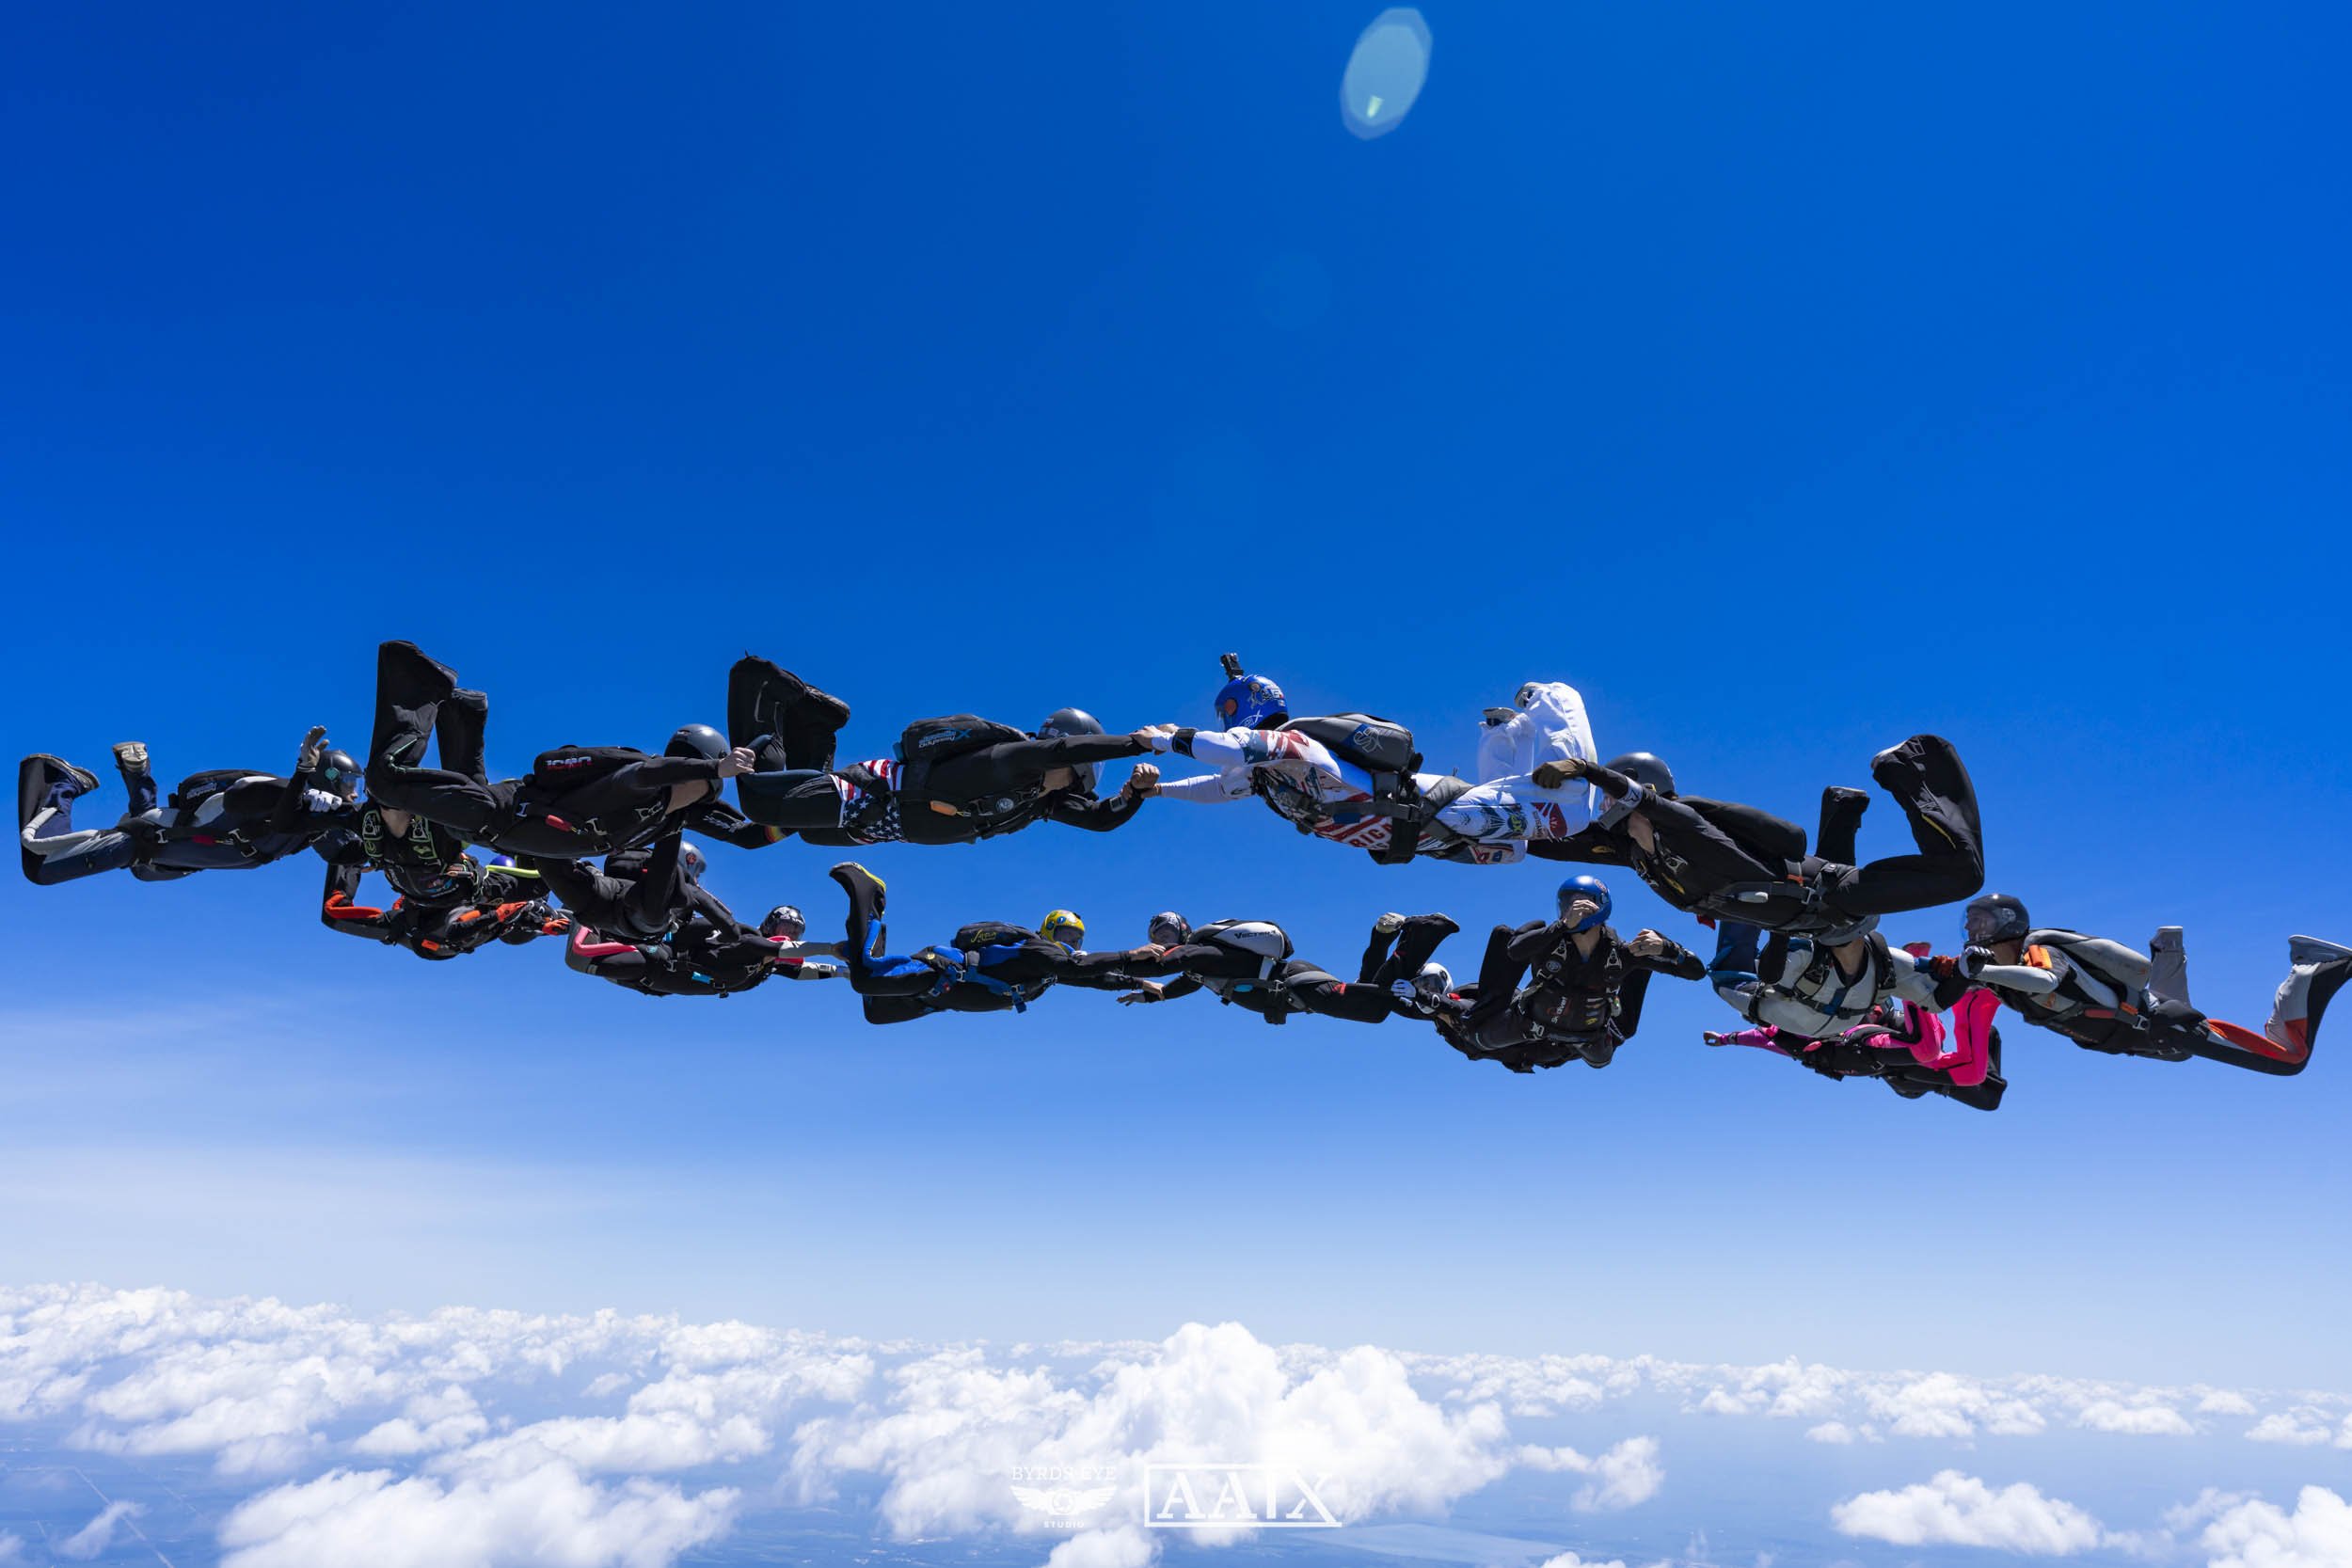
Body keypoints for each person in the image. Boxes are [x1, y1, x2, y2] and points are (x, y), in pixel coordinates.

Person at [1134, 658, 1603, 866]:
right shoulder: (1267, 780)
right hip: (1424, 839)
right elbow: (1214, 785)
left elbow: (1229, 749)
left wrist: (1168, 739)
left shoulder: (1294, 747)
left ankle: (1546, 698)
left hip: (1434, 813)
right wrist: (1158, 791)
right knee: (1520, 847)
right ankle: (1508, 734)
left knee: (1571, 814)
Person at [1531, 735, 1985, 933]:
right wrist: (1471, 826)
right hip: (1813, 924)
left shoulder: (1689, 826)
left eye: (1610, 797)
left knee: (1963, 876)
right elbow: (1554, 844)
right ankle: (1844, 806)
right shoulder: (1635, 853)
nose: (1603, 808)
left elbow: (1647, 805)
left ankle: (1909, 762)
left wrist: (1585, 769)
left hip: (1833, 896)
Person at [365, 640, 773, 858]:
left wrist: (827, 802)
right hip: (498, 814)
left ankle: (465, 712)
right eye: (699, 776)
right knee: (383, 783)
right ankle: (419, 680)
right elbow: (649, 773)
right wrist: (715, 770)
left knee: (462, 811)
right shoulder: (644, 778)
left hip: (490, 832)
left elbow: (750, 837)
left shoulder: (674, 818)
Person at [730, 669, 1161, 846]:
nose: (1082, 782)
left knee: (789, 834)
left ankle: (817, 724)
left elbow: (1101, 819)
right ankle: (762, 686)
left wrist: (1136, 793)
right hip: (871, 792)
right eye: (1084, 769)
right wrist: (1134, 744)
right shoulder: (1013, 757)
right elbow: (1061, 749)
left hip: (879, 829)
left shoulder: (1037, 802)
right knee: (758, 804)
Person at [1947, 894, 2313, 1074]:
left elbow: (2046, 980)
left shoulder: (2036, 952)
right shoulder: (2001, 978)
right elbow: (1938, 980)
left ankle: (2312, 966)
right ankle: (2168, 949)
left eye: (1979, 922)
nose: (1969, 930)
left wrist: (1981, 972)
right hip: (2145, 1032)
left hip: (2166, 1029)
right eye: (1969, 922)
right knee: (2164, 1026)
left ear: (2006, 923)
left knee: (2289, 1061)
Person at [1396, 876, 1705, 1071]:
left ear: (1602, 907)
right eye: (1568, 903)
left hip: (1586, 1035)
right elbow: (1514, 951)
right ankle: (1449, 1010)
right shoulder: (1548, 941)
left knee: (1602, 1060)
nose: (1576, 908)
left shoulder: (1622, 955)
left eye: (1584, 902)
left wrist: (1667, 947)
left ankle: (1591, 1039)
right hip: (1528, 1025)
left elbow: (1696, 972)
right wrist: (1560, 927)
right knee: (1477, 1038)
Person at [21, 728, 357, 886]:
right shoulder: (274, 794)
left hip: (170, 859)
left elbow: (348, 854)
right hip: (146, 842)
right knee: (41, 869)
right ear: (326, 781)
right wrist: (298, 783)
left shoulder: (314, 829)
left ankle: (138, 774)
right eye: (350, 785)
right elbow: (244, 794)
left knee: (143, 870)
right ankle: (58, 780)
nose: (355, 794)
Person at [825, 863, 1156, 1022]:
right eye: (1066, 934)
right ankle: (868, 892)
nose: (1072, 942)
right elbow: (1079, 966)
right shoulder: (1040, 950)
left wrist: (1139, 982)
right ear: (1049, 932)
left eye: (1077, 938)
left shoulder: (1049, 972)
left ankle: (867, 947)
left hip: (935, 999)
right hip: (941, 973)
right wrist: (1130, 955)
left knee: (876, 1013)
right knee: (865, 978)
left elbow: (1094, 978)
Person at [1115, 910, 1458, 1024]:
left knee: (1376, 1005)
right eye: (1157, 934)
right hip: (1298, 991)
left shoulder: (1199, 954)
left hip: (1297, 983)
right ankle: (1385, 937)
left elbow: (1171, 963)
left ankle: (1422, 935)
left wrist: (1118, 964)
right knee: (1373, 1003)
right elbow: (1172, 987)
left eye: (1169, 932)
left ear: (1185, 933)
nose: (1162, 940)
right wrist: (1148, 996)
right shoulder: (1199, 970)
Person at [1703, 988, 2008, 1111]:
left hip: (1904, 1064)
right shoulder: (1792, 1037)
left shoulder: (1810, 1025)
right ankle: (1977, 1020)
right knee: (1987, 1096)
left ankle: (1976, 1017)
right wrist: (1728, 1039)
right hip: (1903, 1075)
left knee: (1984, 1089)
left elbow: (1763, 1037)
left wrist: (1728, 1039)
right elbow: (1764, 1039)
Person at [565, 902, 846, 998]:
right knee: (578, 959)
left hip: (652, 984)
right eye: (787, 927)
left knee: (583, 955)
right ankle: (567, 911)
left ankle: (566, 917)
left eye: (796, 932)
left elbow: (802, 970)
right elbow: (786, 950)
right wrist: (832, 948)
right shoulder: (750, 941)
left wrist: (844, 973)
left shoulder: (767, 964)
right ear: (771, 925)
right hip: (652, 963)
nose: (791, 935)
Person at [320, 856, 567, 961]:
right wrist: (544, 925)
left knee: (333, 915)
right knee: (466, 884)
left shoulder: (486, 922)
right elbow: (524, 917)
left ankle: (346, 852)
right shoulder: (501, 914)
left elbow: (456, 932)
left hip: (416, 932)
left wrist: (499, 913)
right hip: (428, 918)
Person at [524, 833, 737, 946]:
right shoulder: (681, 887)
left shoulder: (640, 869)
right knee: (543, 851)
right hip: (620, 909)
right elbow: (706, 903)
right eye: (696, 873)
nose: (697, 880)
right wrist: (731, 933)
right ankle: (675, 814)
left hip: (603, 905)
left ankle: (674, 814)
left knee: (544, 850)